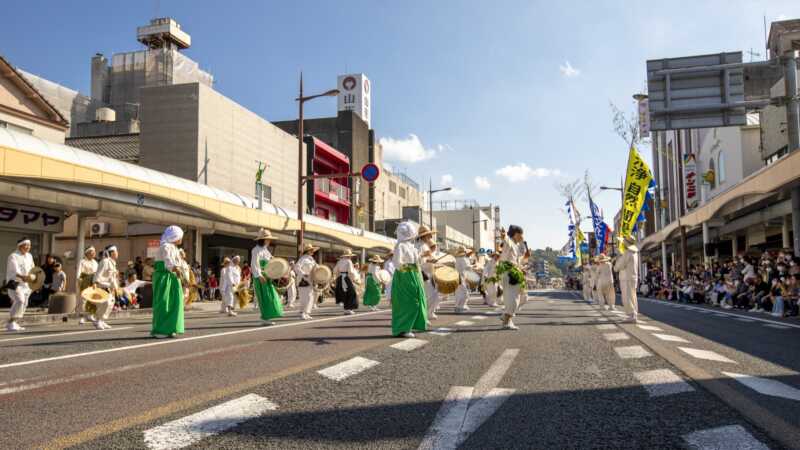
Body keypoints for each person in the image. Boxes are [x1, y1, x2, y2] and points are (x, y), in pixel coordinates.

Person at [390, 222, 427, 338]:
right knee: (408, 301)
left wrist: (423, 256)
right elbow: (397, 263)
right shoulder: (400, 246)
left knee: (417, 299)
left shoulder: (411, 246)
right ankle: (402, 328)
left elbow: (416, 262)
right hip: (404, 276)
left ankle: (408, 326)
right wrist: (409, 268)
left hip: (413, 275)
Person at [151, 225, 186, 338]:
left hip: (173, 277)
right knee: (164, 303)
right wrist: (176, 269)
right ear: (175, 236)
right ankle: (160, 330)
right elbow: (168, 262)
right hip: (164, 277)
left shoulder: (174, 248)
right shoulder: (165, 246)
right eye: (180, 236)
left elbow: (178, 264)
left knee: (175, 303)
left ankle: (171, 327)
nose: (181, 239)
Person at [498, 225, 529, 330]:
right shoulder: (509, 242)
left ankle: (506, 316)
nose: (522, 236)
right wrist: (503, 235)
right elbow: (505, 240)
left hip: (515, 272)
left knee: (523, 297)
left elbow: (519, 258)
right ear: (516, 234)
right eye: (521, 234)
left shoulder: (516, 245)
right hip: (509, 273)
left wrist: (521, 268)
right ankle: (506, 322)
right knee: (512, 299)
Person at [251, 228, 284, 325]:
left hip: (268, 276)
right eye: (268, 239)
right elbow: (254, 264)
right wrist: (259, 275)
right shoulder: (256, 250)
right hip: (261, 276)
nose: (270, 241)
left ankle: (267, 317)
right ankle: (264, 318)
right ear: (263, 240)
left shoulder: (265, 250)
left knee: (271, 296)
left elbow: (271, 260)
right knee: (264, 297)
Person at [5, 238, 35, 331]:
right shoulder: (13, 256)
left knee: (24, 303)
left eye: (29, 245)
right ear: (20, 246)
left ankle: (15, 322)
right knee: (20, 300)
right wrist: (23, 277)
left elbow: (33, 268)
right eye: (26, 245)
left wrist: (34, 277)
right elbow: (15, 271)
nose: (28, 247)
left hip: (26, 284)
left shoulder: (29, 256)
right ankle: (10, 322)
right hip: (14, 283)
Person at [613, 236, 640, 323]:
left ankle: (631, 315)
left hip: (626, 278)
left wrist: (617, 261)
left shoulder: (627, 253)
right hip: (633, 277)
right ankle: (634, 314)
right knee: (633, 296)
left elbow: (618, 267)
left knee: (627, 297)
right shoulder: (634, 253)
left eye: (623, 242)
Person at [92, 245, 120, 330]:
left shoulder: (113, 263)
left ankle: (102, 320)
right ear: (111, 253)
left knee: (110, 304)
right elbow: (98, 274)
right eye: (116, 251)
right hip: (103, 286)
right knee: (105, 304)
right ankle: (98, 321)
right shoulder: (105, 261)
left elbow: (112, 278)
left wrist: (116, 288)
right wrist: (94, 283)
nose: (117, 253)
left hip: (110, 288)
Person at [416, 225, 439, 318]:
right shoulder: (419, 246)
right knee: (430, 295)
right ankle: (424, 314)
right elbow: (417, 259)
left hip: (428, 273)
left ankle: (427, 313)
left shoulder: (423, 245)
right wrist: (429, 260)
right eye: (428, 235)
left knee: (433, 294)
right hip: (423, 273)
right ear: (424, 236)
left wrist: (432, 261)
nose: (430, 237)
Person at [295, 243, 320, 320]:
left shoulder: (312, 259)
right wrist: (303, 274)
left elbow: (317, 268)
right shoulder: (302, 259)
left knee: (310, 297)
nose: (312, 251)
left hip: (310, 279)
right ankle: (302, 313)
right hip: (303, 280)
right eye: (311, 250)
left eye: (313, 250)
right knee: (304, 297)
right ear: (308, 251)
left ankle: (306, 312)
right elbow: (296, 267)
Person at [333, 248, 360, 315]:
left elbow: (335, 270)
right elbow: (351, 271)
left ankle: (346, 309)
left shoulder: (339, 261)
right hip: (347, 278)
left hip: (340, 278)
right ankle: (349, 309)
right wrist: (354, 279)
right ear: (349, 255)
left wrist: (338, 277)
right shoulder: (349, 261)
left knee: (344, 293)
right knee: (351, 293)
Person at [76, 246, 99, 324]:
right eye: (92, 251)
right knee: (84, 300)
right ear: (87, 253)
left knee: (93, 299)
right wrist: (79, 280)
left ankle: (91, 315)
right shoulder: (82, 261)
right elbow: (79, 272)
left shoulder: (95, 262)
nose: (94, 253)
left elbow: (97, 273)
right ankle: (83, 317)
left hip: (93, 282)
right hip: (85, 280)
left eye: (94, 251)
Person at [453, 246, 474, 313]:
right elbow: (467, 268)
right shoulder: (462, 259)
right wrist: (475, 266)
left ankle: (459, 306)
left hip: (460, 277)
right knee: (464, 293)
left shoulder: (459, 259)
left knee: (459, 292)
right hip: (460, 277)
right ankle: (459, 307)